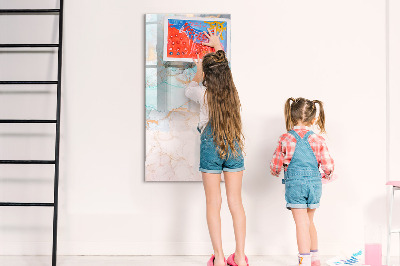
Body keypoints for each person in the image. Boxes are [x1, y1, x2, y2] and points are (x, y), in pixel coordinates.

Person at [185, 28, 248, 266]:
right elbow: (225, 71)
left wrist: (198, 70)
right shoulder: (233, 93)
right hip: (233, 146)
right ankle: (240, 257)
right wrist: (218, 46)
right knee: (236, 202)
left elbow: (187, 89)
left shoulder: (202, 94)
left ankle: (220, 258)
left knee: (214, 203)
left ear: (207, 76)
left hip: (211, 148)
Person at [270, 98, 335, 266]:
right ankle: (315, 260)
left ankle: (304, 261)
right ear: (313, 120)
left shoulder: (285, 138)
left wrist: (275, 171)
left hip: (295, 186)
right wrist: (327, 176)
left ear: (291, 117)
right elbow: (328, 165)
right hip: (314, 185)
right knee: (309, 222)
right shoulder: (318, 139)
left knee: (301, 224)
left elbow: (275, 164)